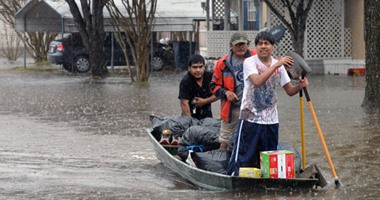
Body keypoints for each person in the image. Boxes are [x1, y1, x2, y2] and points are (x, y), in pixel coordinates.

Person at [227, 31, 309, 176]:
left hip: (271, 120)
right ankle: (235, 179)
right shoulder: (249, 62)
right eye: (260, 44)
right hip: (249, 116)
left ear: (273, 47)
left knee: (269, 162)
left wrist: (300, 86)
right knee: (243, 157)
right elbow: (257, 82)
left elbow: (289, 91)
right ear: (256, 47)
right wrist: (276, 66)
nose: (263, 46)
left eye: (267, 44)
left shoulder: (280, 66)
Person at [210, 32, 257, 150]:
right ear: (231, 46)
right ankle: (222, 164)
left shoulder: (257, 57)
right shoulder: (222, 63)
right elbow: (213, 86)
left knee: (251, 139)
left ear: (248, 45)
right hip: (232, 109)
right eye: (237, 45)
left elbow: (273, 66)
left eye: (243, 44)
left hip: (252, 107)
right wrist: (225, 93)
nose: (241, 47)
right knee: (225, 141)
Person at [178, 54, 218, 120]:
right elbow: (184, 104)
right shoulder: (186, 82)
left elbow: (219, 94)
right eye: (195, 67)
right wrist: (190, 124)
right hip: (190, 116)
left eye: (200, 67)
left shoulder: (210, 77)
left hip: (207, 117)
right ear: (189, 68)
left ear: (204, 67)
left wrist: (205, 101)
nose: (198, 70)